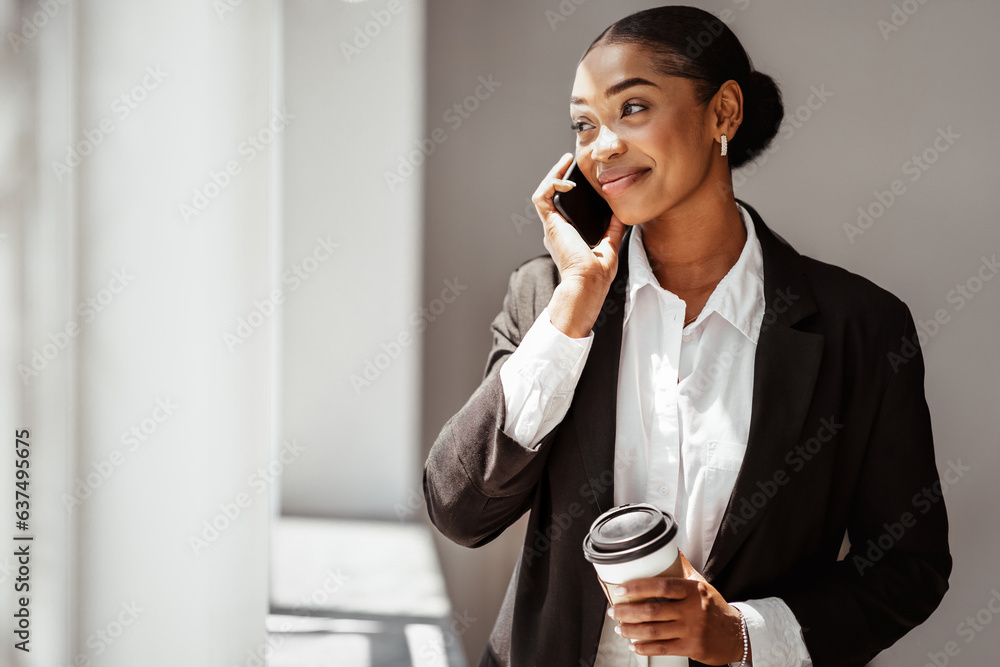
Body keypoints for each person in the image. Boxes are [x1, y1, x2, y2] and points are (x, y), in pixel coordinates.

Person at [422, 6, 951, 666]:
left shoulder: (861, 330)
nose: (601, 145)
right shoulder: (546, 299)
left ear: (723, 113)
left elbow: (908, 568)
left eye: (633, 107)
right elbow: (457, 508)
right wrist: (570, 314)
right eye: (584, 123)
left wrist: (742, 632)